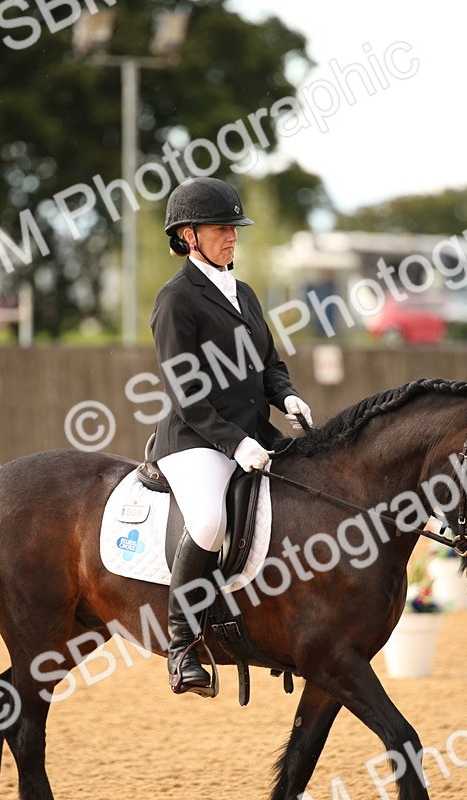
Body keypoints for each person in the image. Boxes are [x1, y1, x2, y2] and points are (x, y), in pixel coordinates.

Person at [149, 176, 313, 695]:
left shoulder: (243, 293)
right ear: (189, 236)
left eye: (234, 228)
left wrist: (286, 397)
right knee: (209, 520)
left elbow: (269, 363)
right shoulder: (176, 300)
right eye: (221, 228)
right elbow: (186, 393)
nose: (232, 237)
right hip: (195, 440)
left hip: (252, 433)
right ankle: (181, 646)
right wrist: (235, 442)